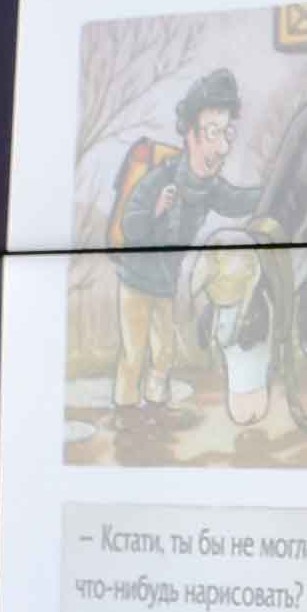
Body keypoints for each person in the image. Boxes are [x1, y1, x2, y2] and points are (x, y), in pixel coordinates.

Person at [106, 69, 239, 414]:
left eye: (227, 133)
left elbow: (238, 200)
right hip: (135, 283)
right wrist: (157, 210)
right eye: (212, 133)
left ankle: (156, 406)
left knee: (164, 353)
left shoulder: (210, 187)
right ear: (190, 135)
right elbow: (131, 226)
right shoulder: (160, 177)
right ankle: (125, 412)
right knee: (134, 353)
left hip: (164, 286)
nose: (223, 147)